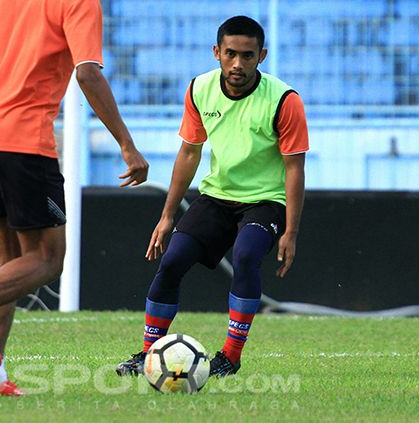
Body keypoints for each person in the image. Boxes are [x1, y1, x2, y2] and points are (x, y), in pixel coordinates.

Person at [0, 0, 148, 397]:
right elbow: (88, 73)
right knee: (48, 258)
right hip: (24, 145)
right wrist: (127, 144)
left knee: (12, 264)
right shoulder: (79, 3)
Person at [116, 16, 308, 378]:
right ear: (216, 52)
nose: (238, 64)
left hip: (266, 201)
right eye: (231, 54)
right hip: (217, 197)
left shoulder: (285, 100)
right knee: (172, 261)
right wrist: (167, 215)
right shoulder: (199, 89)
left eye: (247, 56)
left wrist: (291, 232)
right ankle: (147, 354)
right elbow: (189, 153)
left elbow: (294, 168)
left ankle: (231, 357)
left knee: (247, 253)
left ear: (261, 56)